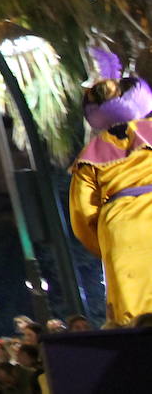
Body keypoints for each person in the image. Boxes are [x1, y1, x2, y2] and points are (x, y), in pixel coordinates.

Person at [68, 71, 152, 325]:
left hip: (120, 228)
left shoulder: (88, 156)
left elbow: (82, 214)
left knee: (133, 309)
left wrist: (103, 246)